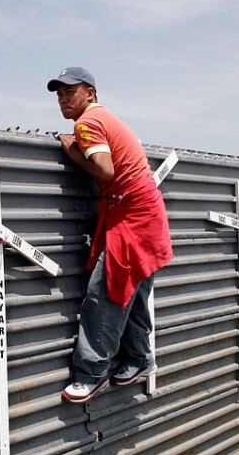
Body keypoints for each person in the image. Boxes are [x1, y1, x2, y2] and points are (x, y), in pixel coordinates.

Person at [47, 67, 174, 404]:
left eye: (69, 92)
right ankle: (137, 359)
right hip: (144, 214)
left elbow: (105, 170)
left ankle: (92, 373)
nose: (63, 99)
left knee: (105, 293)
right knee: (130, 292)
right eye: (59, 94)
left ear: (90, 93)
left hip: (132, 218)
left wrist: (72, 151)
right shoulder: (107, 118)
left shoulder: (87, 123)